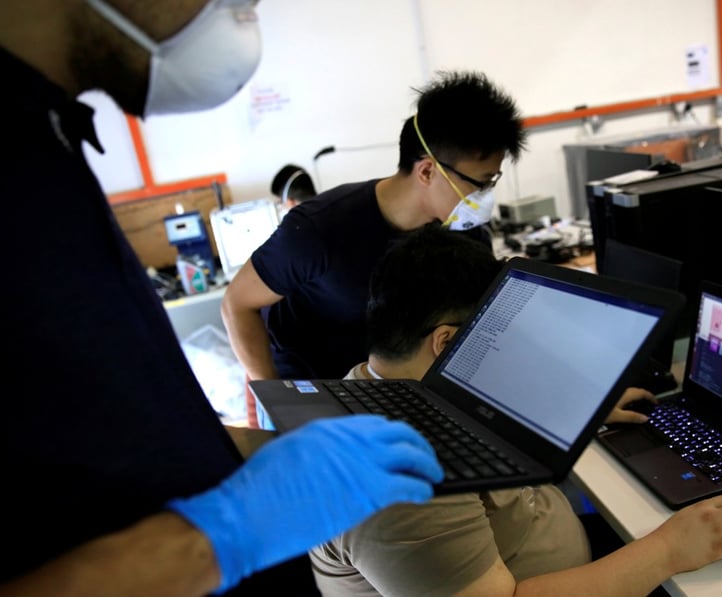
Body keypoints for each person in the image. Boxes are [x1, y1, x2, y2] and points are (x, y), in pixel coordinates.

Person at [0, 1, 443, 595]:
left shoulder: (41, 140)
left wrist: (265, 444)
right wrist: (227, 531)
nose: (245, 12)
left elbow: (89, 441)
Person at [309, 223, 722, 596]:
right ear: (447, 343)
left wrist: (576, 409)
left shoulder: (395, 387)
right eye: (496, 337)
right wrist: (669, 549)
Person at [221, 69, 528, 401]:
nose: (484, 195)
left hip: (394, 390)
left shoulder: (464, 239)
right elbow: (236, 305)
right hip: (313, 391)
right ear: (427, 170)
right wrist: (277, 401)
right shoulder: (320, 229)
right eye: (481, 182)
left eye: (492, 182)